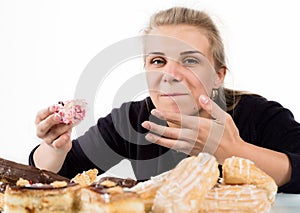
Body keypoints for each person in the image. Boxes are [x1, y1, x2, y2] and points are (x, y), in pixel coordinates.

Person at [30, 6, 300, 193]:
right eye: (158, 60)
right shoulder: (133, 120)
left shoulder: (260, 115)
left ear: (218, 76)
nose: (170, 74)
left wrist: (235, 151)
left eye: (190, 60)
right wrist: (56, 148)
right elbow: (56, 174)